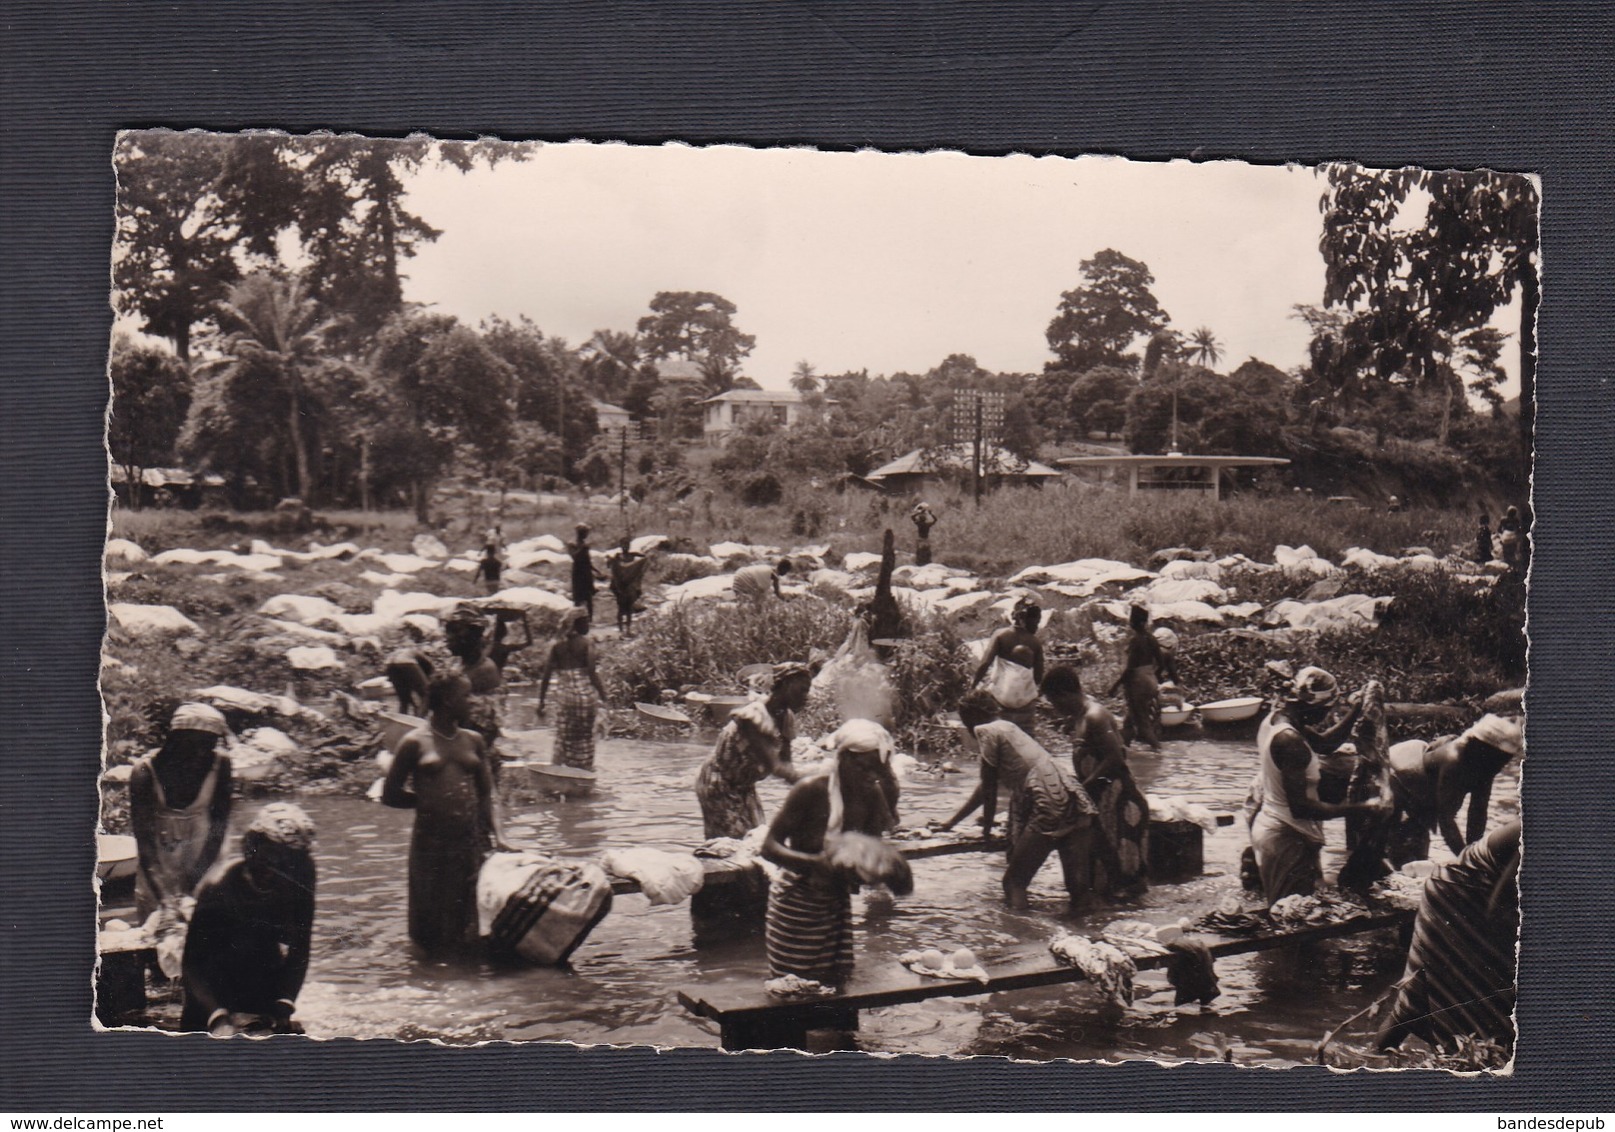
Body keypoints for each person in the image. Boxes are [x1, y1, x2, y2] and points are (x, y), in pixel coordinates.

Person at [762, 719, 901, 988]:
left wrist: (879, 870)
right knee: (791, 989)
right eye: (863, 768)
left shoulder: (872, 795)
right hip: (795, 905)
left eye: (876, 771)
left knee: (837, 989)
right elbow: (769, 847)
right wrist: (814, 864)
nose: (869, 776)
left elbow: (871, 852)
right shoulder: (810, 790)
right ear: (844, 759)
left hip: (836, 905)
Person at [383, 673, 511, 952]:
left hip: (468, 841)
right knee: (429, 924)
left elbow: (488, 793)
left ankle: (464, 976)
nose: (472, 701)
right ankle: (431, 978)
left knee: (468, 920)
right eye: (466, 695)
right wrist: (428, 803)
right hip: (431, 844)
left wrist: (499, 835)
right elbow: (389, 795)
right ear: (448, 700)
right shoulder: (414, 743)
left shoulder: (473, 740)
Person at [940, 689, 1096, 913]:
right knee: (1077, 889)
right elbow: (986, 787)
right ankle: (1085, 933)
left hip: (1047, 801)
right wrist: (951, 823)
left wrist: (985, 834)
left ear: (970, 717)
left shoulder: (984, 730)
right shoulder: (1009, 727)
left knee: (1013, 883)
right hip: (1075, 797)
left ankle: (1020, 937)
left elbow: (989, 790)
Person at [1246, 667, 1391, 905]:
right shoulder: (1290, 741)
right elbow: (1302, 807)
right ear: (1313, 706)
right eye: (1325, 711)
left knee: (1301, 912)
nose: (1324, 717)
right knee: (1294, 921)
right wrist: (1363, 808)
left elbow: (1325, 744)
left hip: (1282, 827)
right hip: (1286, 835)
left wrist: (1356, 710)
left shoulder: (1280, 719)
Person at [1378, 820, 1521, 1055]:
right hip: (1456, 893)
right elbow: (1501, 903)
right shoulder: (1543, 830)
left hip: (1478, 898)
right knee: (1419, 992)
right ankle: (1374, 1059)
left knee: (1423, 992)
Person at [179, 803, 317, 1035]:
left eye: (288, 864)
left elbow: (300, 948)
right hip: (212, 985)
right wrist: (217, 1017)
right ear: (251, 848)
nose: (277, 872)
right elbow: (193, 965)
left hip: (263, 975)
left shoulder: (302, 877)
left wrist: (283, 1006)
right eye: (270, 860)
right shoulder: (218, 887)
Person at [1041, 665, 1149, 896]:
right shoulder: (1080, 717)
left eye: (1053, 701)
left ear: (1064, 694)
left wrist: (1081, 788)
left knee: (1124, 881)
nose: (1054, 707)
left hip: (1120, 802)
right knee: (1105, 879)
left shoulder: (1095, 716)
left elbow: (1115, 759)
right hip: (1101, 801)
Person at [130, 703, 234, 921]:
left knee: (209, 928)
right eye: (192, 745)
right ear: (173, 740)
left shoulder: (220, 765)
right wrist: (166, 900)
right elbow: (145, 845)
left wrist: (189, 889)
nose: (199, 753)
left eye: (207, 746)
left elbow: (218, 831)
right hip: (158, 868)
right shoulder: (144, 773)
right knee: (157, 928)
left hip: (206, 861)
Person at [1385, 714, 1523, 866]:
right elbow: (1446, 820)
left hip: (1426, 792)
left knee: (1418, 853)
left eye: (1506, 760)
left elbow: (1477, 812)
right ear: (1483, 750)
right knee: (1398, 847)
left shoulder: (1485, 768)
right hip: (1401, 779)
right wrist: (1466, 860)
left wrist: (1474, 852)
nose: (1501, 765)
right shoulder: (1454, 761)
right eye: (1500, 759)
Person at [695, 663, 813, 839]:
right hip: (719, 783)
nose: (806, 697)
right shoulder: (754, 715)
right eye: (802, 690)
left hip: (744, 786)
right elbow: (774, 766)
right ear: (786, 685)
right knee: (732, 843)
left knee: (757, 838)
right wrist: (817, 779)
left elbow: (786, 763)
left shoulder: (786, 717)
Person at [538, 606, 607, 771]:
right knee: (585, 737)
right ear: (577, 624)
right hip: (586, 697)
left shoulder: (557, 646)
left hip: (565, 698)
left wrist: (541, 702)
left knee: (564, 735)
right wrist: (604, 696)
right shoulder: (587, 644)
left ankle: (560, 771)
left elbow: (546, 676)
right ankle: (583, 771)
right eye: (586, 621)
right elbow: (591, 672)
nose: (588, 625)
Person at [970, 595, 1046, 734]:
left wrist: (973, 686)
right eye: (1035, 622)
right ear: (1023, 620)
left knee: (1000, 733)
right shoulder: (1035, 642)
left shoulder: (1000, 635)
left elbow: (985, 663)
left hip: (1001, 698)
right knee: (1026, 735)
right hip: (1025, 702)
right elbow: (1038, 675)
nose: (1036, 626)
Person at [1108, 605, 1173, 750]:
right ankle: (1124, 748)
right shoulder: (1152, 639)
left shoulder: (1136, 641)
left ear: (1134, 623)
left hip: (1137, 684)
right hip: (1150, 681)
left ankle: (1159, 753)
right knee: (1130, 720)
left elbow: (1130, 669)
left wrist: (1115, 686)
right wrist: (1152, 677)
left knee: (1142, 723)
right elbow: (1161, 664)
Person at [608, 538, 652, 638]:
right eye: (623, 545)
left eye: (627, 545)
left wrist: (644, 558)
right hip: (619, 585)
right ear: (620, 545)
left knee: (628, 608)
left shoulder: (632, 555)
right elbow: (613, 569)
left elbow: (643, 558)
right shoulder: (618, 556)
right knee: (620, 607)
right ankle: (620, 630)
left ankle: (627, 629)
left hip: (629, 585)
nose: (625, 547)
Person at [567, 524, 606, 617]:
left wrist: (596, 571)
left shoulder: (584, 544)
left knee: (588, 597)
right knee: (578, 597)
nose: (586, 535)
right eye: (585, 533)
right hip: (578, 572)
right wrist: (582, 549)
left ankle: (589, 619)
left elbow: (587, 561)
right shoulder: (572, 544)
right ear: (580, 533)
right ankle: (578, 620)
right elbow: (574, 557)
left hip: (586, 573)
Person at [384, 646, 434, 715]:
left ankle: (403, 718)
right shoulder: (418, 652)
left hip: (389, 664)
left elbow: (408, 685)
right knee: (427, 692)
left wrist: (414, 705)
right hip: (405, 662)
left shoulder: (402, 651)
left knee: (403, 698)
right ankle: (420, 718)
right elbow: (430, 667)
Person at [909, 501, 937, 566]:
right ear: (925, 519)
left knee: (919, 551)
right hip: (926, 539)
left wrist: (918, 513)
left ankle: (918, 562)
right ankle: (928, 562)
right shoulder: (927, 524)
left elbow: (912, 517)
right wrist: (931, 514)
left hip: (920, 539)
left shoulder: (919, 524)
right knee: (927, 551)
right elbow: (935, 520)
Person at [1497, 506, 1524, 570]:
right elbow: (1518, 530)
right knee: (1512, 549)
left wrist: (1502, 535)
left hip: (1505, 537)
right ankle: (1512, 561)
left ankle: (1506, 560)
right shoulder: (1516, 520)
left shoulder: (1503, 519)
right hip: (1512, 537)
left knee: (1505, 548)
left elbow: (1499, 530)